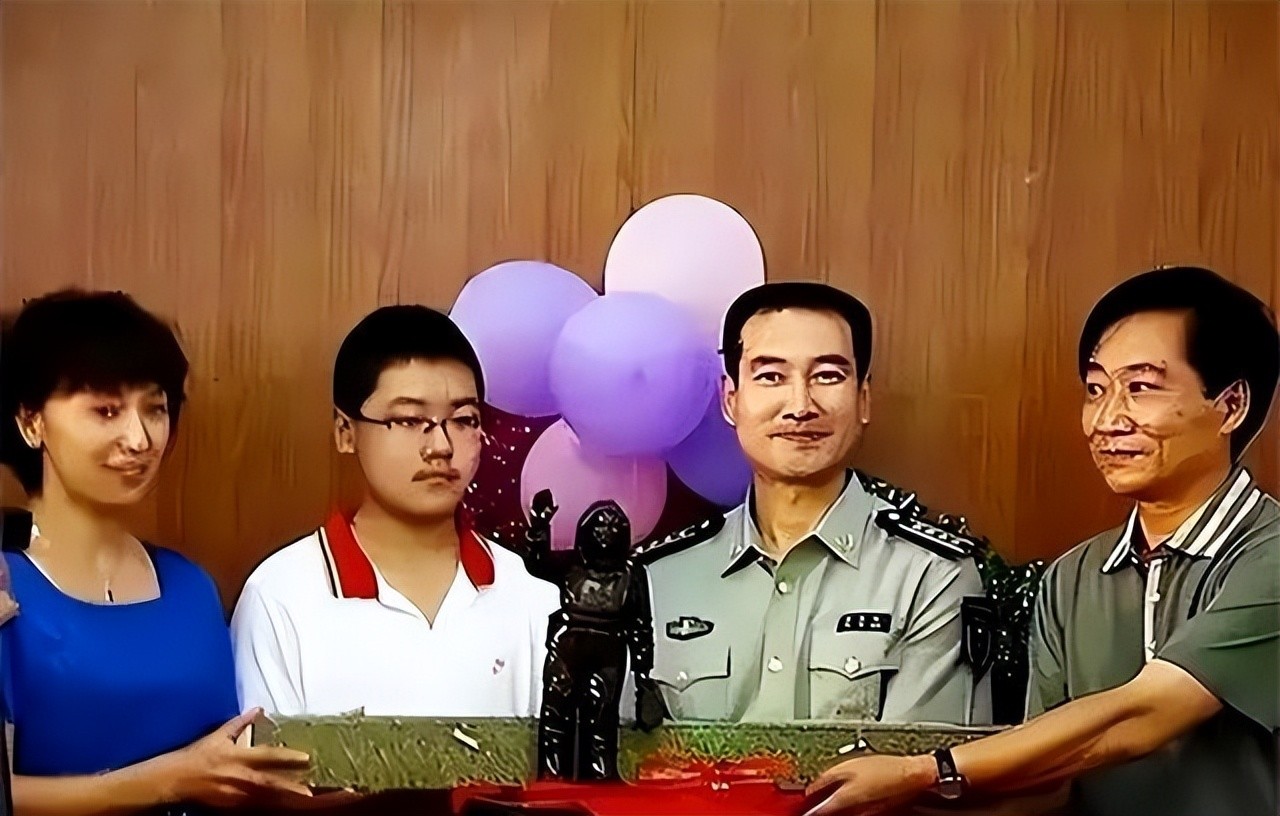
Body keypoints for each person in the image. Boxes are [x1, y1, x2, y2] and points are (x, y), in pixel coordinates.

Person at [802, 266, 1278, 816]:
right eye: (1096, 390)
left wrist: (923, 771)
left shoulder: (1268, 552)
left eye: (1140, 388)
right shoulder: (1073, 576)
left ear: (1231, 405)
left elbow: (1146, 714)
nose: (1106, 419)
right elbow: (1051, 779)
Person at [0, 290, 312, 814]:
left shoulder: (191, 588)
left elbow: (231, 763)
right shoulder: (6, 587)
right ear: (32, 422)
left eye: (156, 409)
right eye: (106, 410)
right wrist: (169, 779)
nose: (140, 439)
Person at [640, 282, 991, 725]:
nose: (800, 406)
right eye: (771, 376)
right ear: (731, 401)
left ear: (863, 399)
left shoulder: (929, 576)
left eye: (827, 376)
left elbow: (914, 761)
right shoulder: (658, 579)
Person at [231, 306, 558, 717]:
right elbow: (266, 756)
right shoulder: (280, 597)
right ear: (345, 432)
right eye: (408, 420)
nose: (440, 446)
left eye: (463, 420)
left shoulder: (531, 598)